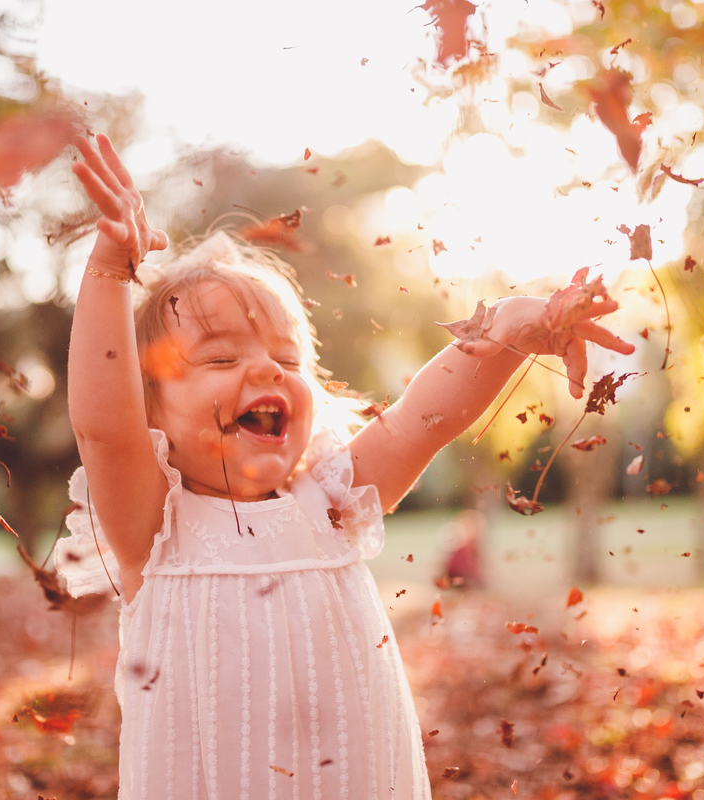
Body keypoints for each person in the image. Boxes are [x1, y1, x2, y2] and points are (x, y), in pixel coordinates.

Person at [55, 134, 635, 800]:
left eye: (288, 359)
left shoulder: (328, 500)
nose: (266, 369)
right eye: (220, 359)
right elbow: (102, 428)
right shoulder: (155, 529)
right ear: (151, 415)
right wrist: (106, 273)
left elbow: (425, 417)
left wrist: (506, 328)